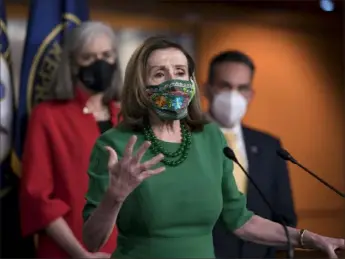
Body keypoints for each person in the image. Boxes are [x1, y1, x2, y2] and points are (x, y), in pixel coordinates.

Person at [82, 36, 344, 259]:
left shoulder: (210, 137)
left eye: (180, 72)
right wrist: (114, 198)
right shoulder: (115, 144)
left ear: (192, 81)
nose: (173, 81)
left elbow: (241, 220)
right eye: (160, 74)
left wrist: (311, 239)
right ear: (141, 86)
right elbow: (93, 241)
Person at [20, 21, 121, 258]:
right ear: (72, 64)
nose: (100, 63)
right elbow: (38, 198)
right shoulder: (48, 116)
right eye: (89, 57)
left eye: (106, 55)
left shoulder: (126, 115)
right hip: (68, 251)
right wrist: (81, 255)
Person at [205, 50, 297, 258]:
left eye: (242, 88)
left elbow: (285, 217)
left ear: (251, 94)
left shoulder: (269, 146)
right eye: (225, 86)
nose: (233, 95)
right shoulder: (183, 139)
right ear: (207, 89)